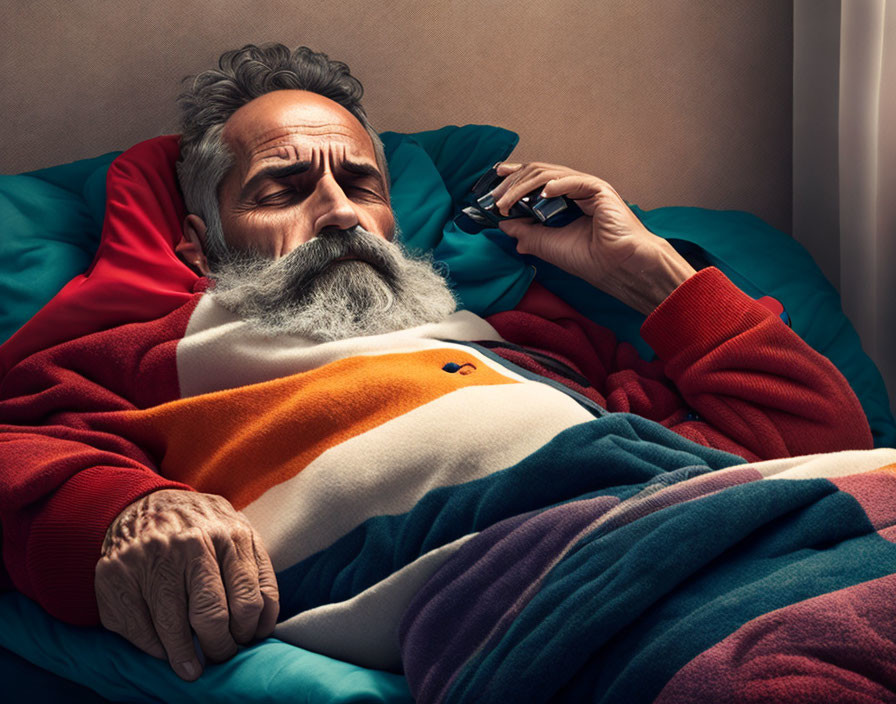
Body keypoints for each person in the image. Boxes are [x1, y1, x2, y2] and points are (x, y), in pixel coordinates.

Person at [0, 43, 872, 683]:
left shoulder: (526, 344)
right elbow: (20, 449)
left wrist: (649, 274)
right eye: (283, 190)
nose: (339, 214)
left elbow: (809, 440)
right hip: (566, 592)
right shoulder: (145, 357)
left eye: (361, 183)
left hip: (755, 532)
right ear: (199, 246)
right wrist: (132, 510)